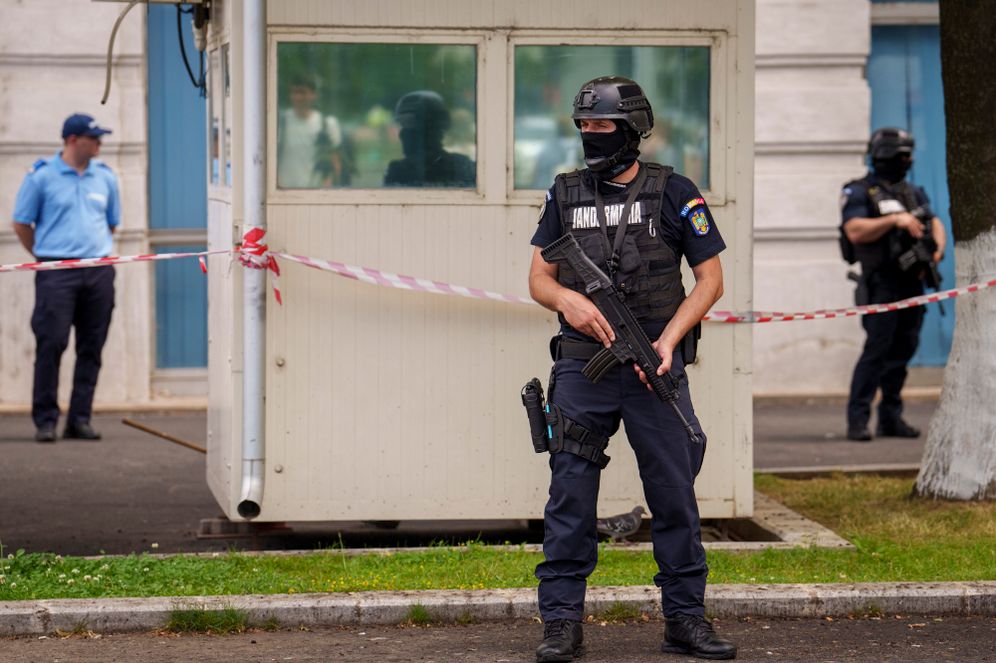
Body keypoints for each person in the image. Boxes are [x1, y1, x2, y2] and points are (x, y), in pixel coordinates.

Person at [527, 76, 735, 661]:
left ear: (632, 129)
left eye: (603, 126)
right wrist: (568, 300)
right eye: (585, 126)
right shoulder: (563, 194)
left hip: (653, 368)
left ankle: (685, 621)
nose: (592, 136)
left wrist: (668, 340)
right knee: (570, 495)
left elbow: (711, 280)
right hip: (582, 371)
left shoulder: (675, 191)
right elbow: (539, 277)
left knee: (674, 495)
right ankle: (561, 623)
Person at [11, 113, 121, 442]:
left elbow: (111, 223)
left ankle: (79, 419)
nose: (100, 143)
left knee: (92, 346)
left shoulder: (105, 177)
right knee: (52, 343)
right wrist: (46, 257)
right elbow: (21, 223)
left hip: (98, 270)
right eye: (94, 138)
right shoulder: (41, 177)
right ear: (73, 140)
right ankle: (46, 420)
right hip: (56, 271)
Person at [840, 128, 946, 442]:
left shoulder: (913, 191)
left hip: (912, 285)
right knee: (876, 352)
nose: (907, 161)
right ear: (884, 155)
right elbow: (855, 230)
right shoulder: (860, 191)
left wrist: (936, 251)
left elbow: (934, 222)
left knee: (903, 351)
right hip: (881, 285)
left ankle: (890, 417)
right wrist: (894, 220)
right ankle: (857, 420)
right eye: (902, 155)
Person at [383, 90, 475, 188]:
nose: (404, 135)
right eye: (405, 126)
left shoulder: (398, 172)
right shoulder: (463, 166)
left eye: (411, 128)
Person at [276, 73, 345, 188]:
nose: (297, 97)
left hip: (316, 195)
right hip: (283, 196)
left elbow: (335, 162)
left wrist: (329, 187)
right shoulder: (279, 122)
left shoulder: (328, 124)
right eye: (294, 92)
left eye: (302, 92)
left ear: (313, 95)